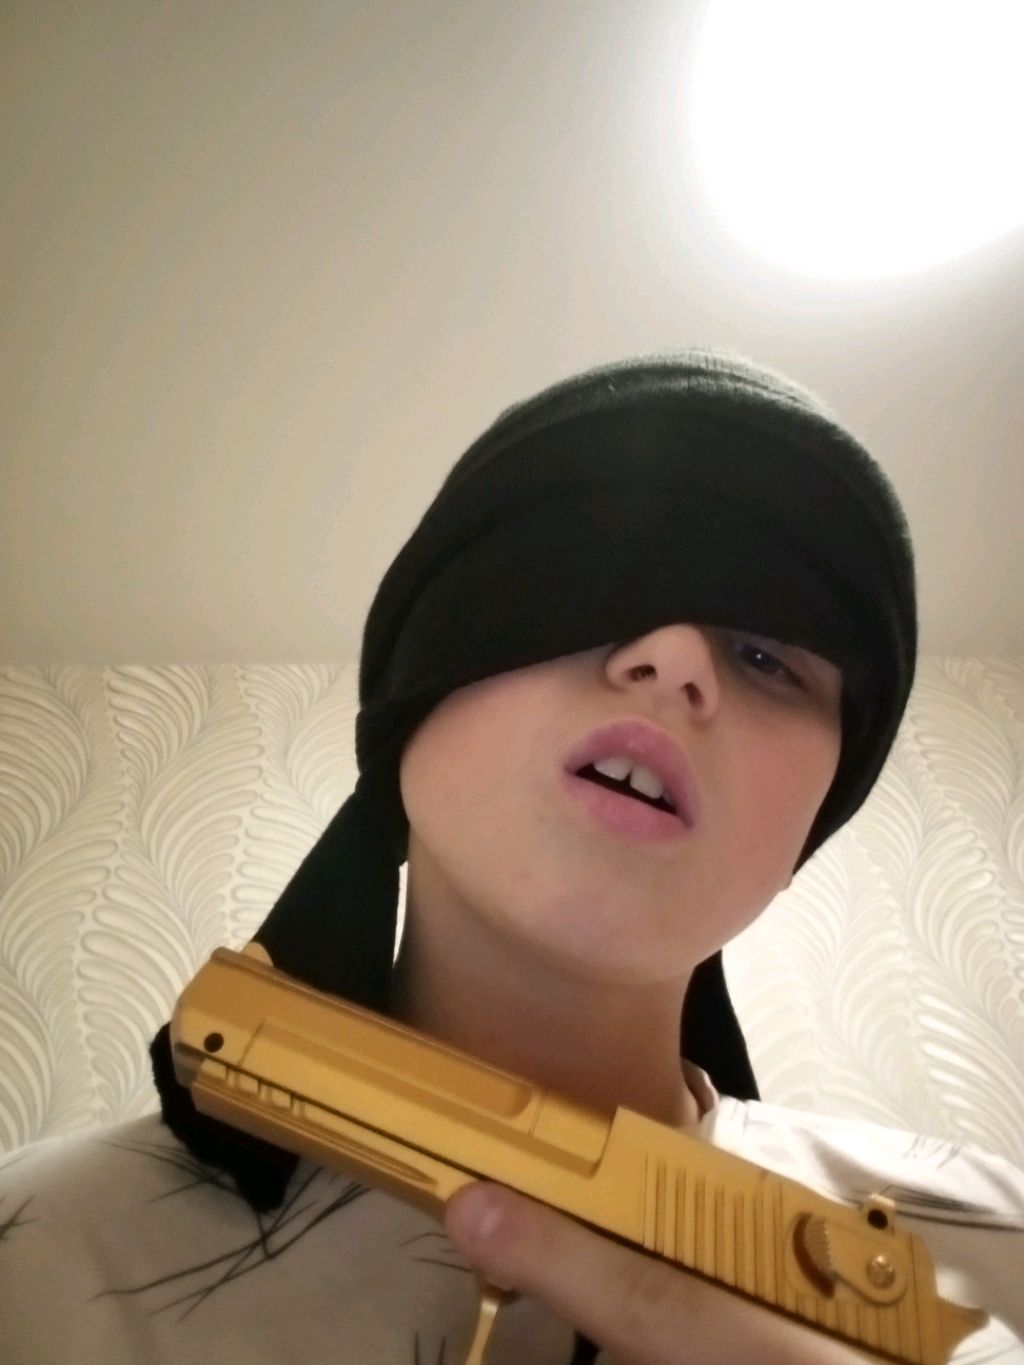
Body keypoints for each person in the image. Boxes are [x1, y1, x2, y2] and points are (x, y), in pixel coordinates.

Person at [1, 351, 1021, 1365]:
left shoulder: (997, 1251)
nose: (674, 659)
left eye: (766, 656)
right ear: (415, 693)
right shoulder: (33, 1262)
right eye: (588, 577)